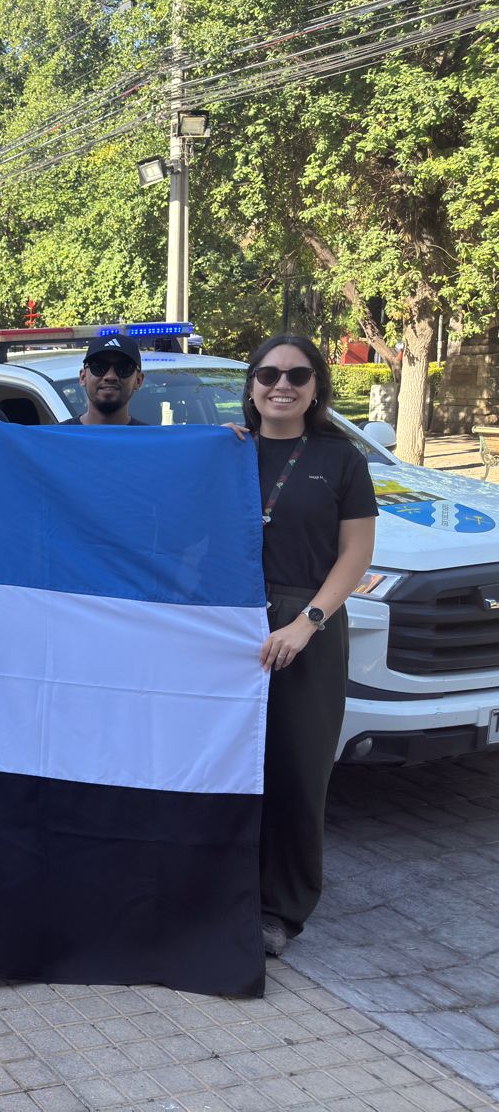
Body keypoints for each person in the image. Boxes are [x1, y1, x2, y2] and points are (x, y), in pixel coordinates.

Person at [241, 334, 376, 957]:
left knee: (297, 771)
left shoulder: (339, 457)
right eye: (268, 374)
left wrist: (307, 621)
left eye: (297, 374)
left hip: (307, 627)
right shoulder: (227, 453)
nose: (282, 385)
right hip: (232, 626)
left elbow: (356, 555)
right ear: (251, 386)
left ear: (317, 386)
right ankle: (226, 890)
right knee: (232, 766)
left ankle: (281, 910)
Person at [61, 335, 148, 426]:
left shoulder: (152, 438)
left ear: (138, 380)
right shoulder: (55, 438)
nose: (110, 376)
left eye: (123, 368)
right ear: (83, 377)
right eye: (99, 366)